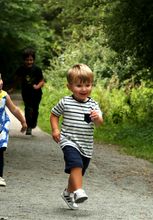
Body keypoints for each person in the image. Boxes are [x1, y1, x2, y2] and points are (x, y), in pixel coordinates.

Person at [50, 64, 103, 210]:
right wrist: (55, 129)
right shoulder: (65, 102)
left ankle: (68, 193)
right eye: (79, 85)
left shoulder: (93, 105)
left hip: (85, 145)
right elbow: (54, 114)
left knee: (78, 170)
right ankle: (79, 191)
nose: (84, 89)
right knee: (76, 165)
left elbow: (99, 123)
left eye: (87, 85)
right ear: (70, 86)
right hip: (68, 141)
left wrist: (97, 117)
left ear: (92, 85)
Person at [8, 48, 44, 135]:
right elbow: (17, 78)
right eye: (27, 60)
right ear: (24, 60)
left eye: (31, 60)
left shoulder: (37, 69)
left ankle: (33, 122)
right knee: (28, 109)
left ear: (33, 60)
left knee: (35, 109)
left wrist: (37, 86)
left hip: (36, 93)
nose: (29, 62)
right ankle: (29, 127)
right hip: (26, 92)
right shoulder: (21, 69)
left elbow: (42, 81)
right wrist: (13, 88)